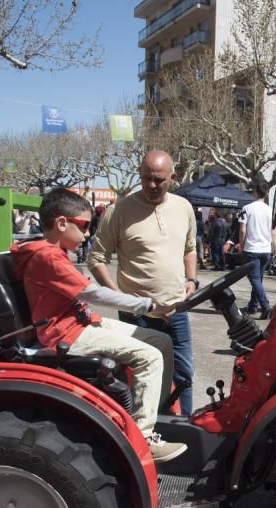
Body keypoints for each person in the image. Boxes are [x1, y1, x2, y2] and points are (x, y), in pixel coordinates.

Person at [11, 189, 187, 462]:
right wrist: (148, 305)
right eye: (84, 226)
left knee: (161, 342)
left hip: (81, 322)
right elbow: (93, 294)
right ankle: (143, 438)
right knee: (149, 357)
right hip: (66, 333)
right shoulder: (48, 257)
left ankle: (151, 414)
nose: (87, 233)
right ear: (61, 223)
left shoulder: (55, 252)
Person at [88, 150, 199, 416]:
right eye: (146, 178)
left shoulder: (183, 207)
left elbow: (190, 248)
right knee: (141, 375)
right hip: (136, 314)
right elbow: (96, 258)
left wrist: (191, 280)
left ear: (173, 177)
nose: (151, 185)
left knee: (184, 372)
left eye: (159, 180)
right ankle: (145, 430)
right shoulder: (119, 211)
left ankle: (184, 424)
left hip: (176, 310)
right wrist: (118, 296)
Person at [240, 179, 274, 319]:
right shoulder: (270, 210)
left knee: (254, 279)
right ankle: (253, 306)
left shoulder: (247, 208)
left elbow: (242, 230)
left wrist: (241, 245)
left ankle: (265, 306)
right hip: (266, 248)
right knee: (257, 279)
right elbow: (273, 232)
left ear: (255, 192)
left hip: (252, 248)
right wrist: (275, 249)